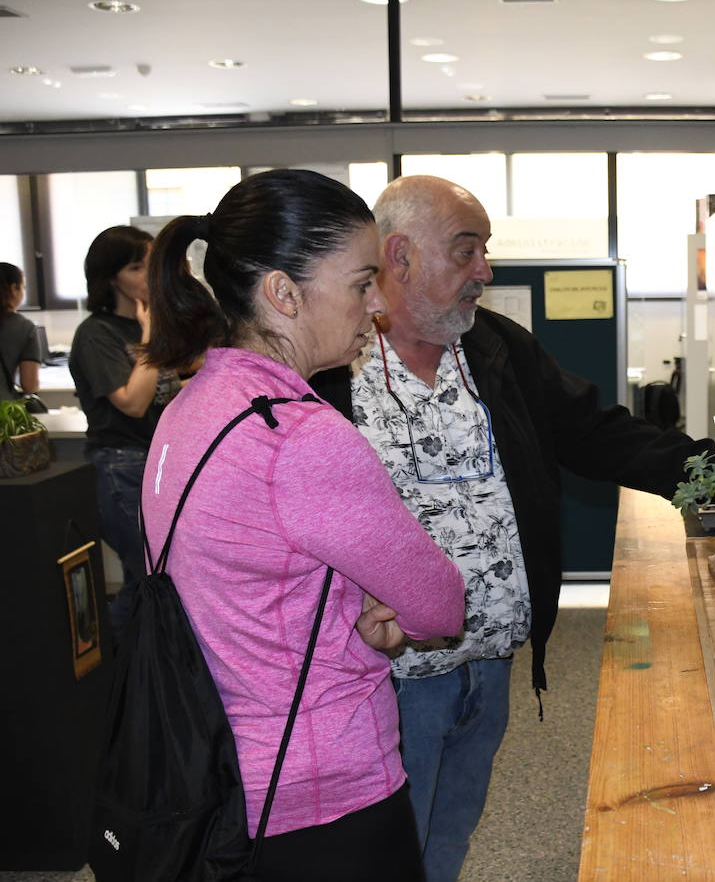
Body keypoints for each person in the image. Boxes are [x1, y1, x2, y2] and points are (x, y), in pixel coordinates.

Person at [312, 174, 715, 882]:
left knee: (449, 836)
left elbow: (597, 432)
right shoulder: (332, 372)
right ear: (399, 256)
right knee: (384, 855)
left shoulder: (496, 349)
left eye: (486, 250)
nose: (485, 270)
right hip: (383, 678)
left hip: (489, 662)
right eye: (467, 250)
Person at [140, 168, 465, 881]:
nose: (377, 305)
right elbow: (440, 604)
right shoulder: (301, 438)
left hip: (221, 773)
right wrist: (377, 617)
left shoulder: (186, 412)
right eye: (359, 283)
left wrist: (349, 609)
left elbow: (243, 591)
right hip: (324, 789)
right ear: (283, 294)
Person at [68, 225, 182, 633]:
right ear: (111, 276)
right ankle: (116, 667)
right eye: (137, 267)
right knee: (149, 578)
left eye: (150, 265)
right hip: (121, 466)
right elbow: (132, 402)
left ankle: (126, 671)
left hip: (155, 465)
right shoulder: (96, 334)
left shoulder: (145, 324)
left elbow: (172, 389)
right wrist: (151, 335)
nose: (148, 276)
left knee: (151, 578)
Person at [0, 262, 40, 401]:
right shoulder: (24, 327)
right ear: (13, 289)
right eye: (23, 287)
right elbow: (29, 386)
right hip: (3, 413)